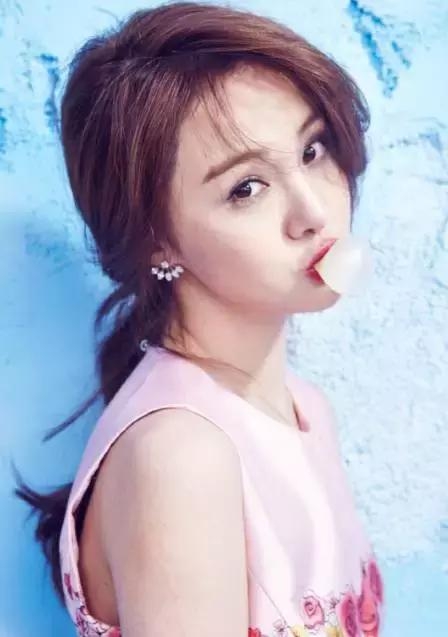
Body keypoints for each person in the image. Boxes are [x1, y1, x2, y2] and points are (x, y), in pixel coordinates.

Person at [15, 1, 385, 635]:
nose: (314, 212)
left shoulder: (304, 408)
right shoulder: (181, 458)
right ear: (156, 239)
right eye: (246, 188)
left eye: (312, 149)